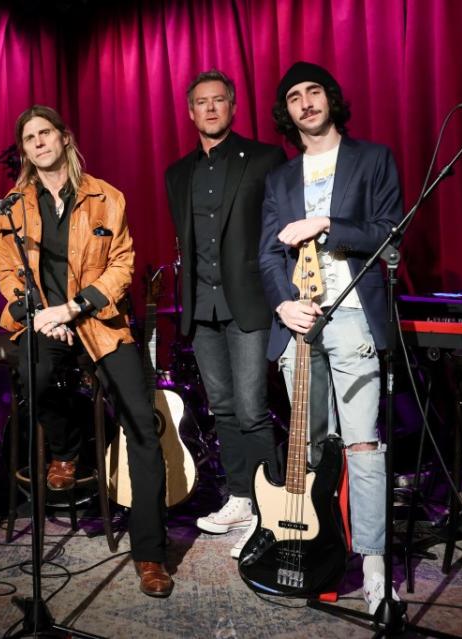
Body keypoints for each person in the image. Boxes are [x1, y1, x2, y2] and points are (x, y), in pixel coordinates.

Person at [0, 105, 172, 597]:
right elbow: (8, 272)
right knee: (32, 369)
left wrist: (72, 310)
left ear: (64, 137)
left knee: (141, 421)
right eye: (29, 138)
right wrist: (37, 314)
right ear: (25, 150)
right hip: (41, 323)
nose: (38, 142)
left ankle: (151, 555)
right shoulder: (12, 205)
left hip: (97, 322)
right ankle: (67, 451)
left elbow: (122, 266)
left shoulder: (107, 197)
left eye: (45, 133)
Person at [259, 61, 403, 613]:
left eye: (314, 91)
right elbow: (268, 254)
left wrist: (325, 226)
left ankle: (373, 568)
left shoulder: (372, 159)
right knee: (313, 449)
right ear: (287, 112)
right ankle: (321, 552)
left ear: (330, 99)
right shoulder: (278, 178)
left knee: (362, 444)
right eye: (294, 96)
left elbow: (391, 233)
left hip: (353, 316)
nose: (305, 102)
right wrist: (282, 303)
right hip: (298, 321)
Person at [164, 70, 286, 558]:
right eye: (201, 102)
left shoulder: (265, 158)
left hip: (249, 301)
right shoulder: (177, 173)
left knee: (255, 408)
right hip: (201, 306)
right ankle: (240, 498)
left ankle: (272, 503)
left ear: (233, 107)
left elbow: (278, 229)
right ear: (190, 111)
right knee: (224, 409)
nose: (210, 109)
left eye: (219, 101)